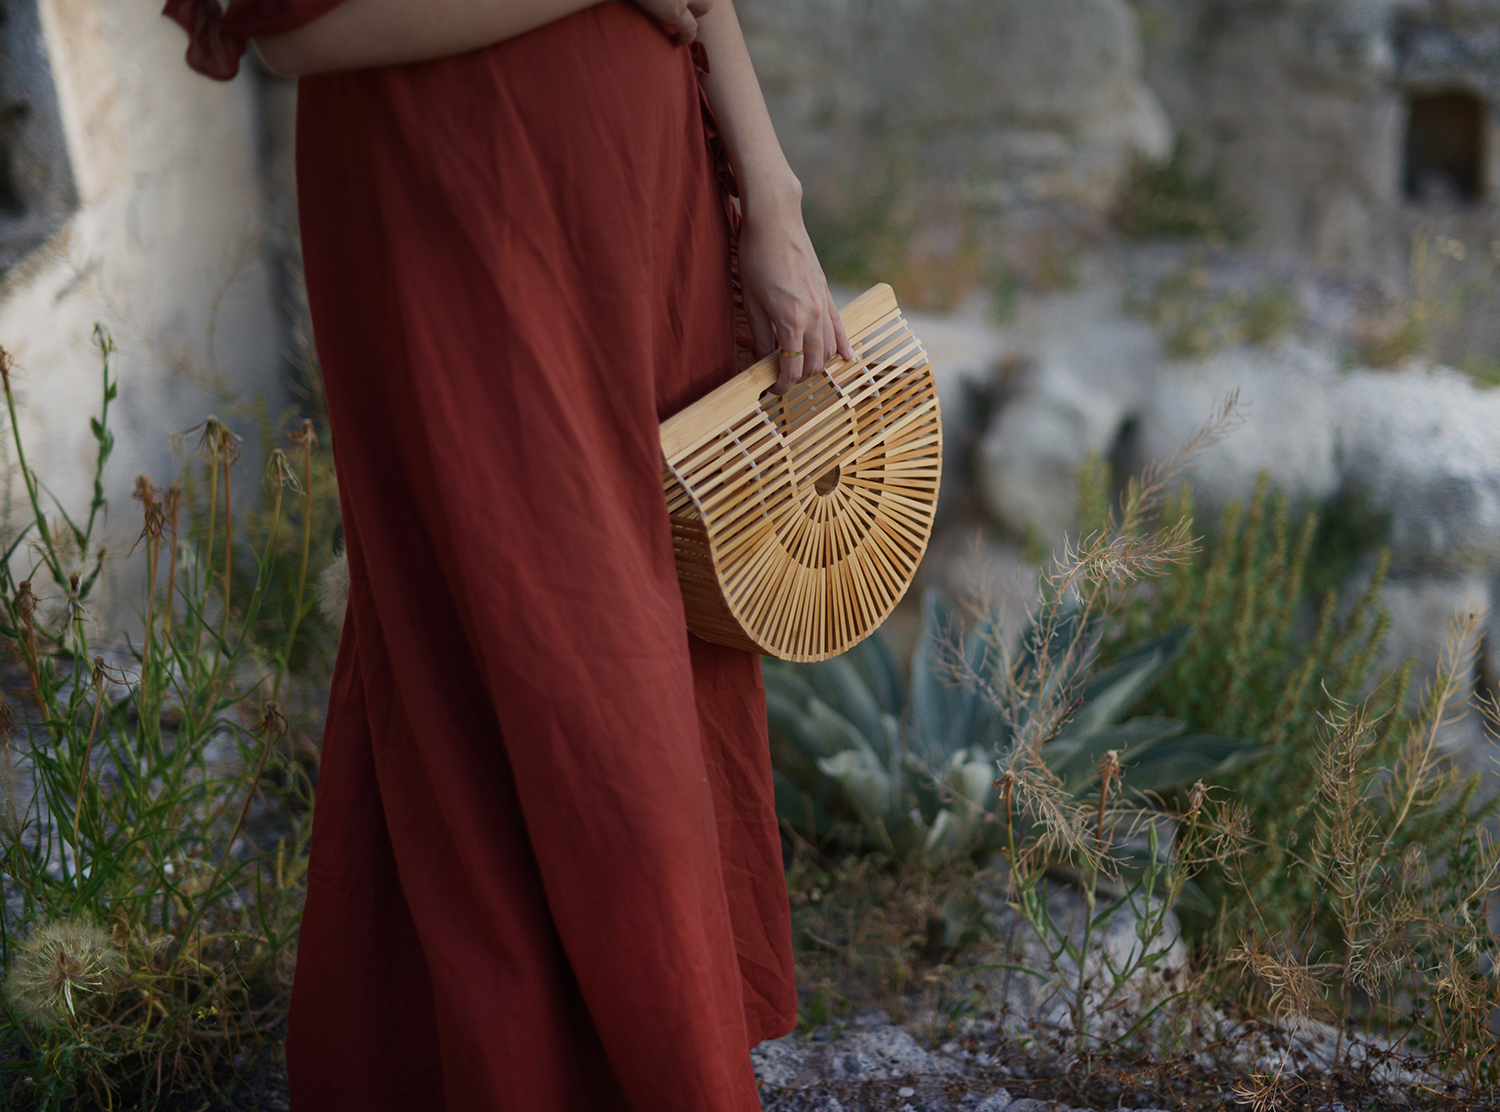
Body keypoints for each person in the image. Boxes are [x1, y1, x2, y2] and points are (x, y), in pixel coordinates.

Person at [165, 0, 851, 1109]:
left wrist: (772, 196)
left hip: (641, 192)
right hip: (453, 201)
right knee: (552, 645)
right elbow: (294, 32)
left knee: (625, 630)